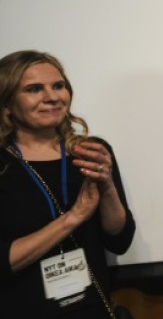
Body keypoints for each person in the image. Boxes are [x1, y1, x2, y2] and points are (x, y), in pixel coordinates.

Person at [0, 50, 135, 319]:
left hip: (92, 309)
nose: (52, 97)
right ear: (6, 103)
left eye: (58, 86)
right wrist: (73, 218)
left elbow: (120, 240)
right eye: (34, 89)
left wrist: (107, 186)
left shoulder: (90, 151)